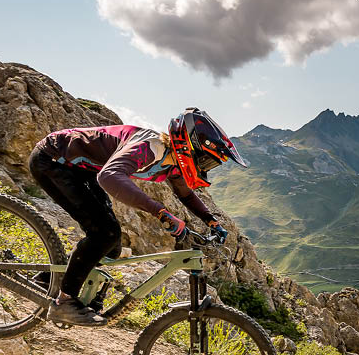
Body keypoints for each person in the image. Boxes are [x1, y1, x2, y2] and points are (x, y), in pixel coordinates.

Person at [28, 107, 248, 325]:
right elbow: (109, 176)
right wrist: (160, 212)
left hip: (81, 170)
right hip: (52, 160)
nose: (205, 168)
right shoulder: (150, 148)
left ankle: (47, 280)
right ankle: (64, 303)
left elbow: (186, 195)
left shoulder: (173, 161)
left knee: (111, 245)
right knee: (104, 233)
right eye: (206, 161)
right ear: (189, 148)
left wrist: (211, 220)